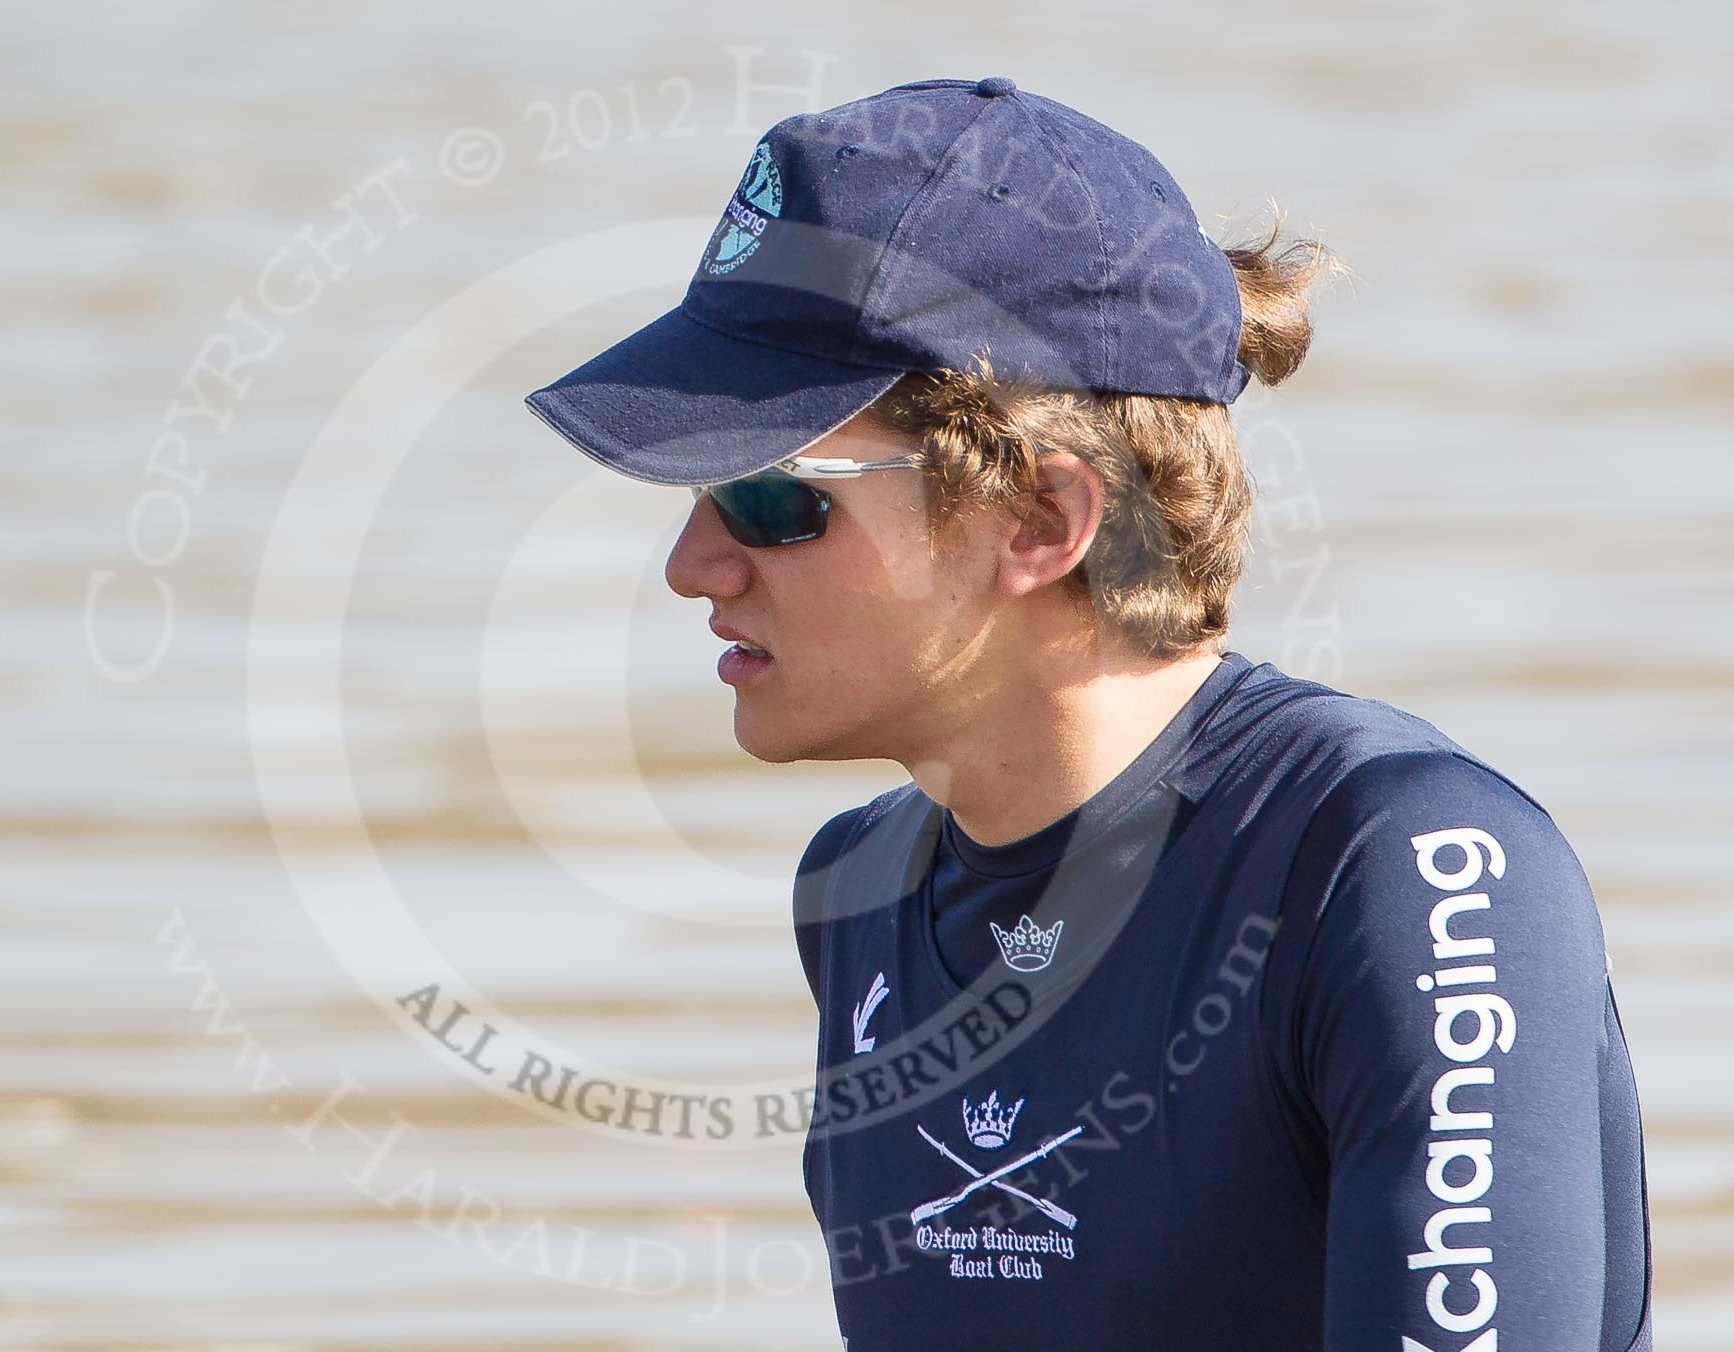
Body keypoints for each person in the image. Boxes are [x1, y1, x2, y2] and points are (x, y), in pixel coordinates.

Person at [524, 76, 1652, 1351]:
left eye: (772, 496)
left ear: (1044, 521)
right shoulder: (857, 892)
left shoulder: (1407, 869)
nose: (693, 563)